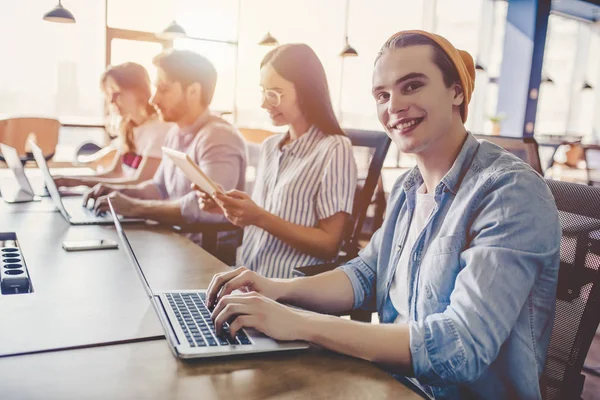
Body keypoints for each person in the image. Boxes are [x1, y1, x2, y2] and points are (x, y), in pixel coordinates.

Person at [204, 31, 561, 399]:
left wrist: (299, 323)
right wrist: (277, 289)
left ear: (457, 92)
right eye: (383, 95)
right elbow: (366, 275)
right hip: (387, 382)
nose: (395, 106)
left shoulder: (509, 193)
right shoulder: (409, 187)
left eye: (412, 86)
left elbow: (459, 348)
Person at [196, 43, 357, 279]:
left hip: (287, 289)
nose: (264, 103)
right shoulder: (271, 147)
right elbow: (264, 219)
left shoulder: (334, 148)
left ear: (306, 91)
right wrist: (225, 207)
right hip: (245, 276)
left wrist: (259, 216)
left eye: (273, 93)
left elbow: (329, 244)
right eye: (263, 91)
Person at [84, 50, 247, 232]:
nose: (154, 100)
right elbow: (158, 188)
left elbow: (205, 209)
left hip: (204, 253)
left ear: (193, 91)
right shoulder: (175, 132)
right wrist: (118, 193)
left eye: (164, 89)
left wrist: (133, 207)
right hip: (173, 239)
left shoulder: (219, 137)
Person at [54, 63, 174, 187]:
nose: (111, 101)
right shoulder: (129, 127)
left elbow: (140, 183)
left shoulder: (160, 130)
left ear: (139, 92)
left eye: (117, 93)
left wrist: (75, 182)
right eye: (109, 95)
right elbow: (114, 173)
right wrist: (69, 179)